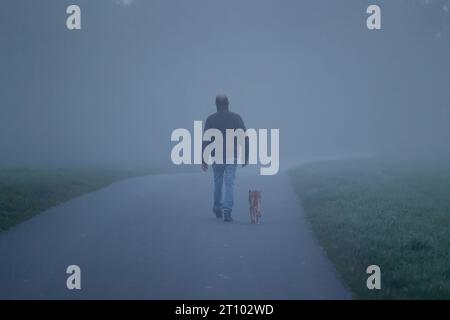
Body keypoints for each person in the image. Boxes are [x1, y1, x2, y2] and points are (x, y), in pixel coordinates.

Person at [202, 95, 248, 222]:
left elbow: (206, 140)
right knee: (230, 183)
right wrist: (245, 156)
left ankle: (217, 208)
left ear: (216, 105)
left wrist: (204, 159)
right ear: (228, 104)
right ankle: (227, 210)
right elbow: (244, 138)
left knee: (217, 182)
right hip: (231, 155)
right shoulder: (236, 118)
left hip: (216, 155)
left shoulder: (210, 119)